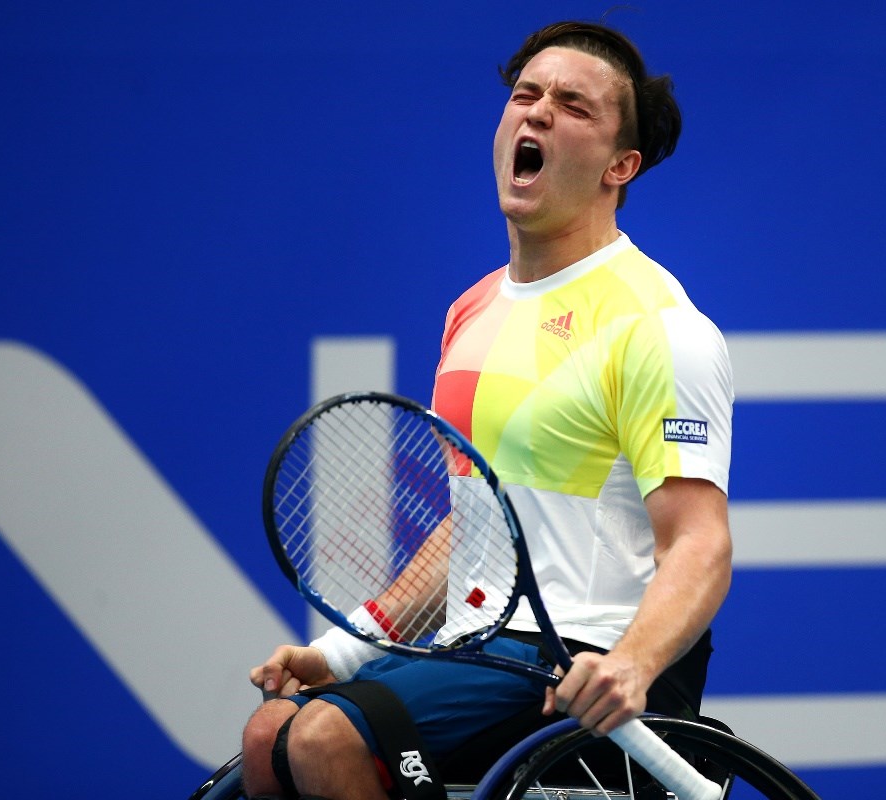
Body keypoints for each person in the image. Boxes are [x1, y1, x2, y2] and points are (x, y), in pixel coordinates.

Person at [241, 20, 734, 800]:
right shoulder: (471, 312)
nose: (536, 113)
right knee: (270, 732)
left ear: (620, 165)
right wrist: (341, 655)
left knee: (326, 734)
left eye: (573, 105)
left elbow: (701, 544)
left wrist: (631, 663)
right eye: (525, 95)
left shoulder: (659, 327)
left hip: (579, 652)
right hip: (473, 648)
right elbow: (476, 527)